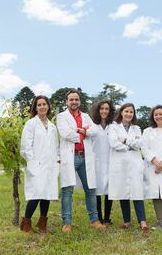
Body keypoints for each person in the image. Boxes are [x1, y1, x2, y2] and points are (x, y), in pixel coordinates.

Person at [56, 89, 105, 234]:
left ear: (80, 101)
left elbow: (95, 131)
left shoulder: (85, 116)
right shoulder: (61, 116)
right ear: (67, 101)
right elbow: (66, 134)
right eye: (71, 99)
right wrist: (85, 132)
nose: (74, 102)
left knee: (90, 189)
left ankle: (94, 221)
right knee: (67, 190)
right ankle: (66, 223)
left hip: (85, 156)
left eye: (76, 99)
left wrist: (81, 130)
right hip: (70, 157)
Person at [20, 95, 59, 233]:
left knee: (46, 193)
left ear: (48, 107)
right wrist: (32, 162)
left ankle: (42, 223)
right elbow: (25, 146)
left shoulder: (53, 126)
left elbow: (55, 145)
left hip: (50, 164)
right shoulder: (31, 124)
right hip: (36, 165)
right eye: (39, 105)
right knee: (36, 194)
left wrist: (57, 158)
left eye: (44, 104)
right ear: (35, 108)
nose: (42, 107)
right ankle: (26, 223)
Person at [108, 103, 149, 233]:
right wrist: (129, 146)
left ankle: (142, 221)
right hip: (120, 164)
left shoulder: (137, 128)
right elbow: (113, 143)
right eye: (126, 111)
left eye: (131, 112)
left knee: (137, 191)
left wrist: (124, 141)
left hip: (135, 163)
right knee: (123, 191)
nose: (129, 114)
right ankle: (126, 221)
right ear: (121, 112)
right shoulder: (113, 127)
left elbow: (139, 144)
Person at [90, 100, 115, 225]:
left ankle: (107, 218)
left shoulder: (114, 126)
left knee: (109, 190)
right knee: (98, 190)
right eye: (102, 108)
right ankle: (99, 217)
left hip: (111, 161)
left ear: (110, 111)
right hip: (97, 161)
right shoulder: (93, 125)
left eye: (107, 109)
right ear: (97, 110)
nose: (104, 111)